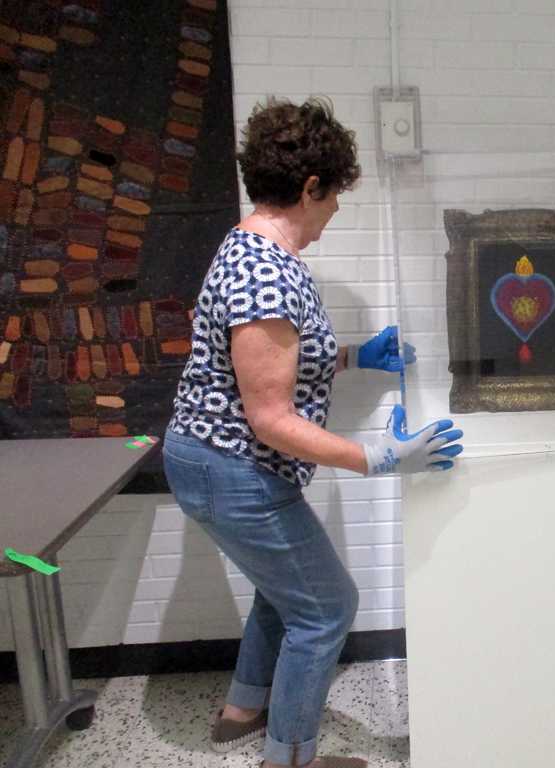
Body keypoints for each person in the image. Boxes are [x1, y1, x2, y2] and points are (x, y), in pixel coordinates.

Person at [162, 97, 463, 768]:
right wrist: (375, 458)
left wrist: (355, 355)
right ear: (309, 187)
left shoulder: (254, 252)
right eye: (333, 199)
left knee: (289, 589)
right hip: (232, 469)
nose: (333, 212)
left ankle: (242, 709)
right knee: (327, 607)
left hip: (218, 464)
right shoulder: (267, 271)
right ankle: (290, 759)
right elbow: (270, 417)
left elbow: (272, 363)